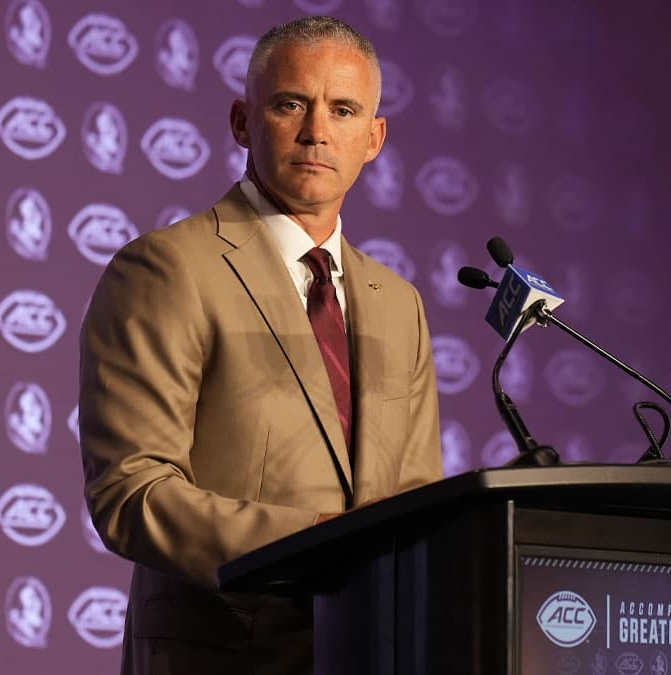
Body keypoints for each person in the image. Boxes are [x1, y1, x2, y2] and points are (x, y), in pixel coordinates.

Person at [79, 15, 443, 675]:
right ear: (243, 122)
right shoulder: (167, 269)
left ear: (374, 138)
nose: (317, 131)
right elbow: (132, 492)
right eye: (289, 104)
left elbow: (417, 506)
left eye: (343, 110)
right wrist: (313, 547)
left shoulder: (399, 305)